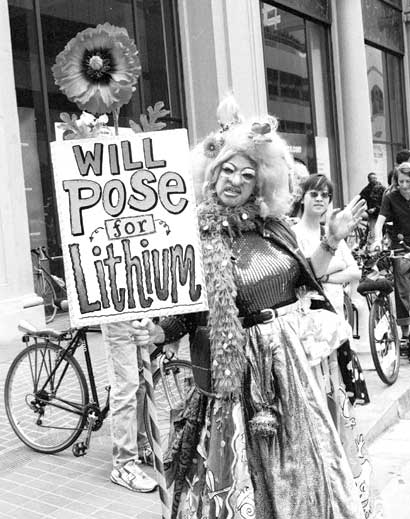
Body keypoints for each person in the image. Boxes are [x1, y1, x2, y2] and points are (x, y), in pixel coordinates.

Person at [132, 98, 372, 519]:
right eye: (228, 169)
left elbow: (303, 280)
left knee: (308, 460)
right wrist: (158, 332)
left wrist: (331, 241)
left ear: (260, 183)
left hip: (292, 362)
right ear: (212, 173)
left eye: (247, 174)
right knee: (248, 469)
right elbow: (190, 308)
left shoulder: (274, 225)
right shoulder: (195, 237)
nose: (236, 180)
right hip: (237, 370)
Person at [292, 174, 361, 318]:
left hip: (336, 314)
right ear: (302, 198)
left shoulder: (331, 232)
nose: (319, 198)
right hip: (306, 317)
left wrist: (324, 277)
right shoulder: (293, 234)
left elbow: (355, 272)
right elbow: (303, 273)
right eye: (313, 194)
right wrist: (339, 264)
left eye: (324, 195)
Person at [100, 321, 158, 493]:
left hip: (141, 311)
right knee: (126, 385)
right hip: (118, 314)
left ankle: (140, 445)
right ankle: (123, 463)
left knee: (143, 381)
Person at [372, 161, 410, 350]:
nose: (404, 185)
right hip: (400, 246)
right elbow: (379, 223)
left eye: (408, 181)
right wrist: (377, 239)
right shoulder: (391, 197)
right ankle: (406, 333)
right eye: (401, 181)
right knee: (402, 287)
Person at [359, 172, 385, 244]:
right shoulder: (366, 190)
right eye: (372, 178)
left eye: (375, 178)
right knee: (373, 231)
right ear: (369, 180)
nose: (374, 180)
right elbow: (361, 199)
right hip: (372, 214)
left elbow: (384, 202)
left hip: (380, 213)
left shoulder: (381, 188)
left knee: (378, 230)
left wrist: (376, 208)